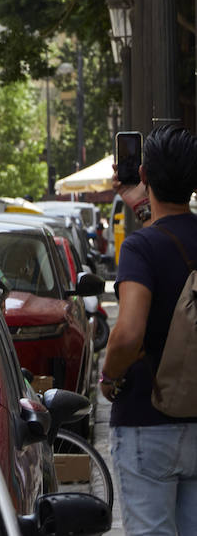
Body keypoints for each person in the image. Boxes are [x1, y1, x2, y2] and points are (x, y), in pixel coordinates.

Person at [101, 124, 197, 535]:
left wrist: (108, 376)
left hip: (146, 417)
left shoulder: (141, 248)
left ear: (143, 175)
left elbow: (127, 334)